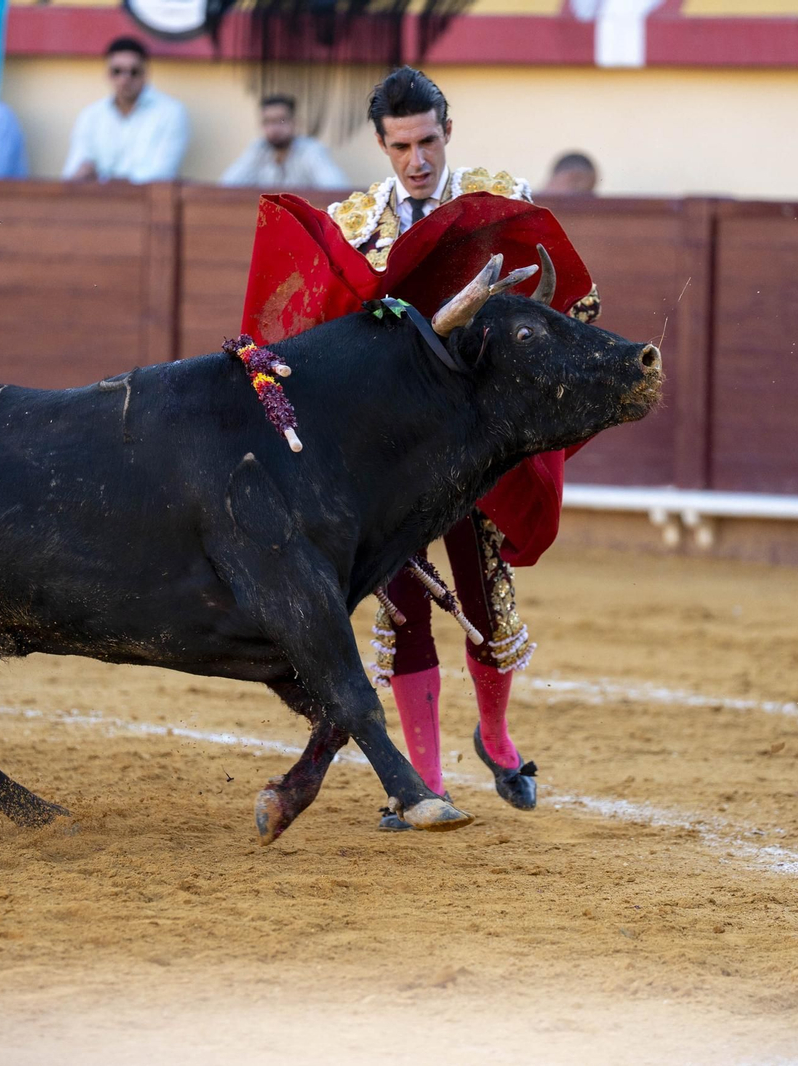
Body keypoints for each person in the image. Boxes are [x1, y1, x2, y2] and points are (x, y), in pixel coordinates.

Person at [323, 67, 600, 830]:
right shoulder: (353, 226)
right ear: (382, 145)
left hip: (476, 446)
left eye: (430, 141)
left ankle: (498, 739)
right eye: (402, 145)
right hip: (396, 455)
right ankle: (426, 783)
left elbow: (566, 306)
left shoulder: (496, 204)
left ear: (449, 131)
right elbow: (324, 339)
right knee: (406, 610)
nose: (418, 158)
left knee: (484, 602)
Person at [63, 36, 189, 184]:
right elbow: (74, 171)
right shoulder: (91, 115)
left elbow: (162, 173)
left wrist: (105, 181)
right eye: (117, 71)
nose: (125, 79)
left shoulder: (171, 113)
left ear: (145, 74)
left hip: (148, 203)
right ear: (108, 74)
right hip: (97, 202)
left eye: (133, 72)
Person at [220, 94, 348, 190]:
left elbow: (336, 187)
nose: (274, 129)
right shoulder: (258, 149)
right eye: (268, 122)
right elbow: (227, 185)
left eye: (281, 120)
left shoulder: (311, 150)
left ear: (295, 123)